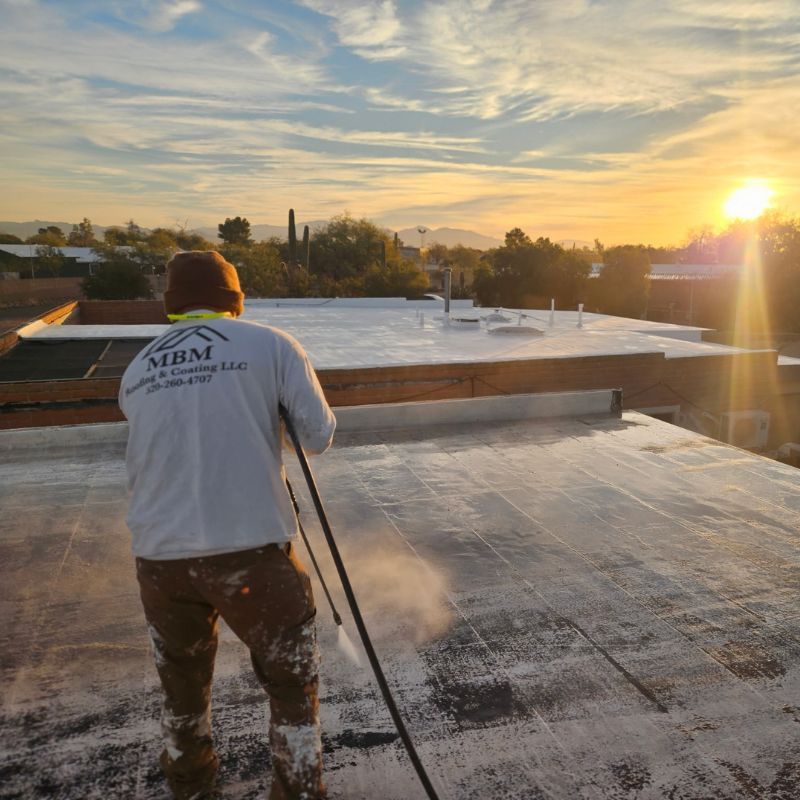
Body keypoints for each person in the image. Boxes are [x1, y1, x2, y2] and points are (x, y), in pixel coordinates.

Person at [119, 250, 336, 800]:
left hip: (159, 559)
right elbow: (316, 435)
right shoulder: (270, 344)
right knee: (291, 684)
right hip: (249, 553)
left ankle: (191, 791)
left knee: (182, 690)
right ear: (234, 299)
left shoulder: (138, 366)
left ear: (172, 304)